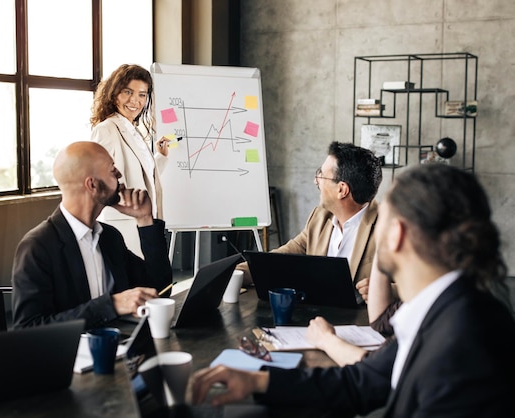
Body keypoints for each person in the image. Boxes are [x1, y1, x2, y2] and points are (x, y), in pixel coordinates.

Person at [192, 164, 515, 416]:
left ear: (397, 234)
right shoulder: (443, 309)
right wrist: (256, 380)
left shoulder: (465, 338)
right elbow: (365, 380)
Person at [12, 141, 173, 330]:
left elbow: (160, 288)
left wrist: (145, 220)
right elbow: (28, 329)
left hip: (119, 350)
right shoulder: (37, 247)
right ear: (92, 184)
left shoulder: (109, 237)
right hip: (70, 356)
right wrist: (111, 305)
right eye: (113, 170)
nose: (120, 175)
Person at [237, 141, 383, 304]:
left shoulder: (389, 226)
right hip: (315, 317)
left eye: (321, 175)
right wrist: (237, 274)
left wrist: (386, 289)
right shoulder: (320, 217)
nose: (316, 181)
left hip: (360, 323)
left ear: (341, 190)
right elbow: (282, 257)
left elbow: (415, 285)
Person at [89, 64, 169, 257]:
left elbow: (142, 176)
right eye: (128, 92)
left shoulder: (134, 130)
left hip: (144, 222)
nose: (135, 100)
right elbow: (101, 180)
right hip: (123, 224)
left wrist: (160, 157)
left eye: (142, 94)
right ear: (114, 93)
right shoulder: (106, 129)